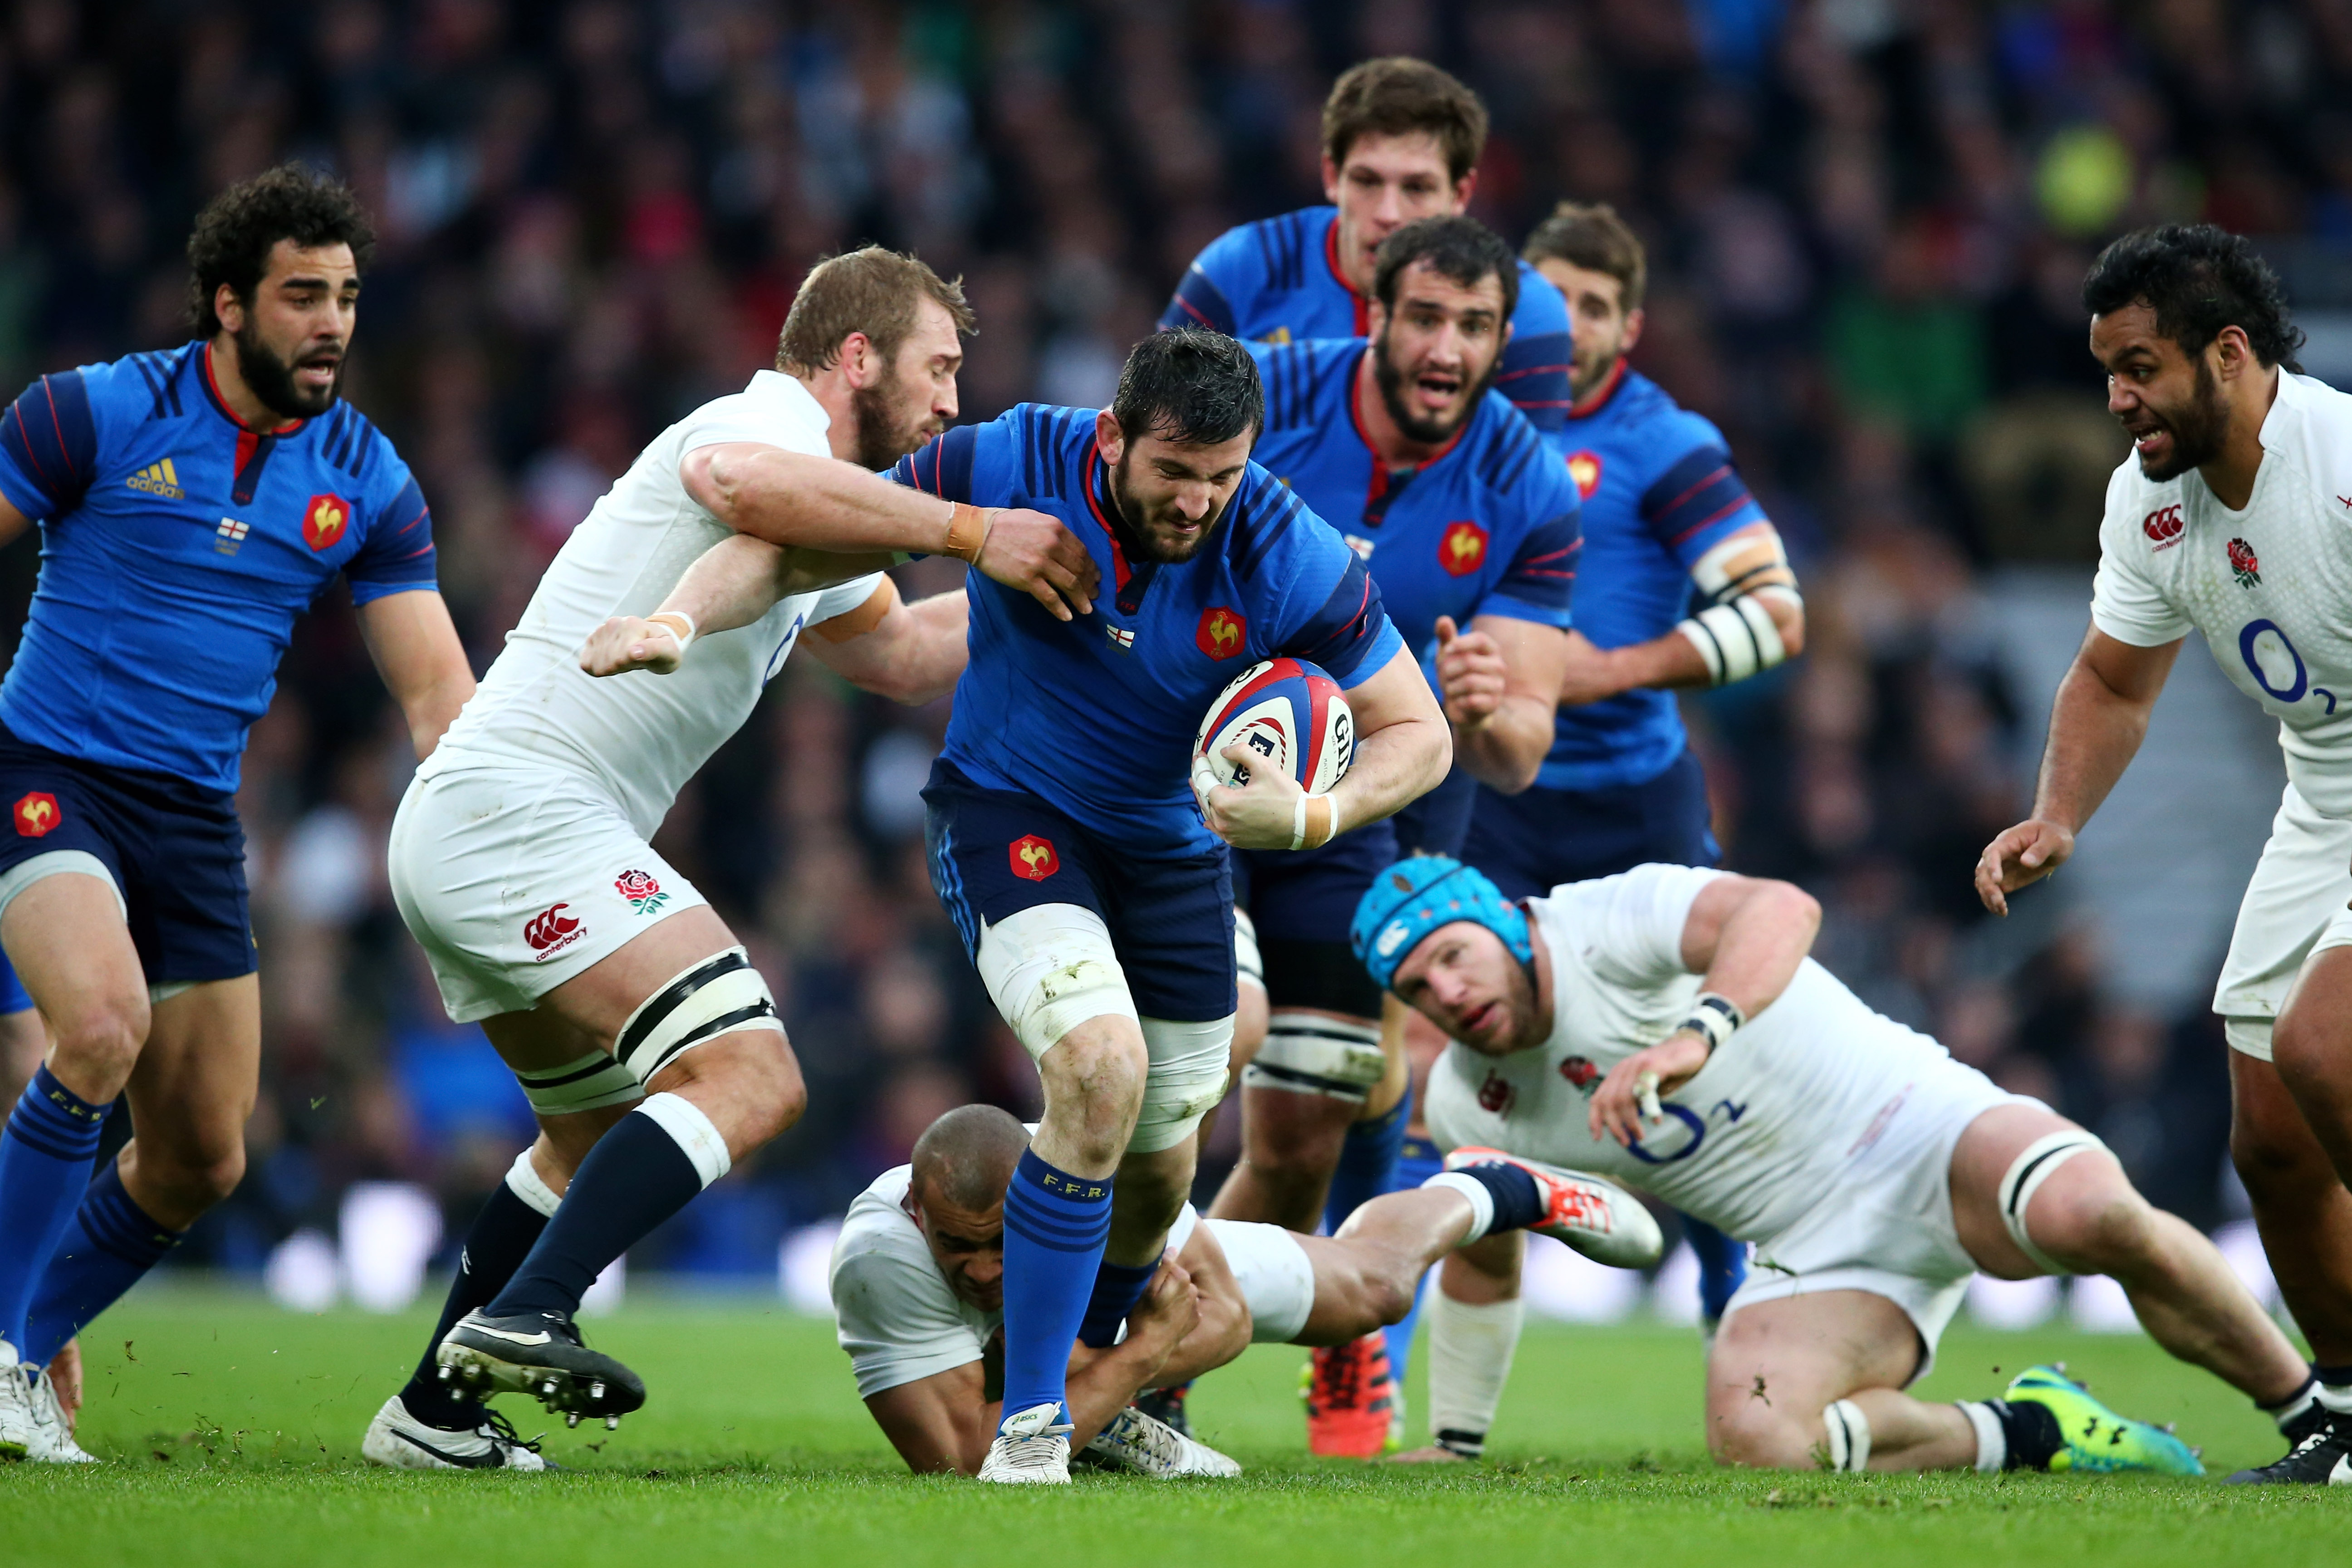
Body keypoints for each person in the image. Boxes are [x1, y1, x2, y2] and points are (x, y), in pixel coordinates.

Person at [360, 246, 1099, 1470]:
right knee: (752, 1077)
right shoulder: (759, 423)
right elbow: (738, 477)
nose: (953, 403)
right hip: (522, 812)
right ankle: (527, 1314)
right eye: (939, 367)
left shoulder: (831, 508)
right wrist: (975, 527)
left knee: (591, 1142)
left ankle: (433, 1418)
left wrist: (1081, 570)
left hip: (489, 821)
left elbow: (905, 655)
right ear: (854, 357)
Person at [887, 328, 1452, 1482]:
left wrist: (1309, 817)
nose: (1196, 499)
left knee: (1161, 1158)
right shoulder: (1022, 457)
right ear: (1113, 438)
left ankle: (1105, 1378)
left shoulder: (1284, 548)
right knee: (1099, 1067)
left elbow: (1420, 731)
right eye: (1173, 471)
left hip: (1173, 855)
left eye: (1220, 474)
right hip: (1009, 814)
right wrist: (839, 600)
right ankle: (1032, 1423)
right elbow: (845, 495)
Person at [0, 164, 476, 1464]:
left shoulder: (364, 478)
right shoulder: (94, 416)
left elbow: (436, 692)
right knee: (99, 1027)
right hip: (50, 777)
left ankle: (21, 1349)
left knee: (203, 1157)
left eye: (349, 298)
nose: (331, 324)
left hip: (196, 823)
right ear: (228, 303)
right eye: (302, 297)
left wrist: (488, 805)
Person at [1356, 855, 2310, 1475]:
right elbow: (1488, 1259)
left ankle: (2315, 1415)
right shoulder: (1466, 1099)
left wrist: (1697, 1034)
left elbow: (1781, 904)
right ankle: (2039, 1431)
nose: (1447, 993)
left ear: (1502, 925)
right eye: (1418, 990)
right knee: (1760, 1439)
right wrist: (1457, 1440)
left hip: (1918, 1127)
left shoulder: (1605, 922)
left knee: (2091, 1215)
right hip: (1813, 1246)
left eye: (1452, 956)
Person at [1976, 223, 2352, 1485]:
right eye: (2108, 371)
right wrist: (2059, 815)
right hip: (2324, 795)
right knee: (2273, 1141)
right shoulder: (2151, 497)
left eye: (2141, 367)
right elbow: (2113, 683)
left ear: (2229, 355)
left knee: (2325, 1048)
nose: (2119, 398)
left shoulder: (2340, 467)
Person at [1208, 215, 1579, 1455]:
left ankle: (1296, 1337)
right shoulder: (1272, 397)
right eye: (1425, 317)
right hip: (1200, 776)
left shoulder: (1528, 482)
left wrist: (1487, 706)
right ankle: (1086, 1338)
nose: (1446, 348)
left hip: (1387, 804)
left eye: (1475, 327)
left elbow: (1521, 750)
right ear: (1373, 310)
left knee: (1318, 1111)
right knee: (1198, 1061)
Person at [1453, 201, 1810, 1333]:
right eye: (1550, 297)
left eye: (1593, 304)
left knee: (1682, 1062)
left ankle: (1730, 1300)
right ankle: (1400, 1367)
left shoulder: (1665, 444)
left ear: (1629, 326)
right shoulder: (1459, 424)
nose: (1568, 321)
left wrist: (1599, 673)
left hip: (1629, 798)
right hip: (1488, 793)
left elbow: (1774, 611)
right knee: (1458, 1063)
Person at [829, 1104, 1655, 1477]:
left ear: (1038, 1211)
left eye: (999, 1244)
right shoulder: (881, 1257)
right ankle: (1109, 1425)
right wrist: (1145, 1350)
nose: (977, 1270)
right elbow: (963, 1456)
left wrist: (1110, 1367)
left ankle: (1485, 1188)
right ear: (915, 1212)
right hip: (1098, 1352)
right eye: (954, 1246)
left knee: (1377, 1290)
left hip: (1116, 1271)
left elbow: (1218, 1321)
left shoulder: (1091, 1195)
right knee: (1027, 1375)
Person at [1161, 57, 1572, 438]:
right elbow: (1153, 435)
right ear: (1332, 176)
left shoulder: (1526, 310)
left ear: (1461, 193)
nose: (1389, 213)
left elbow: (1525, 501)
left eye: (1417, 188)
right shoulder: (1239, 270)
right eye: (1367, 181)